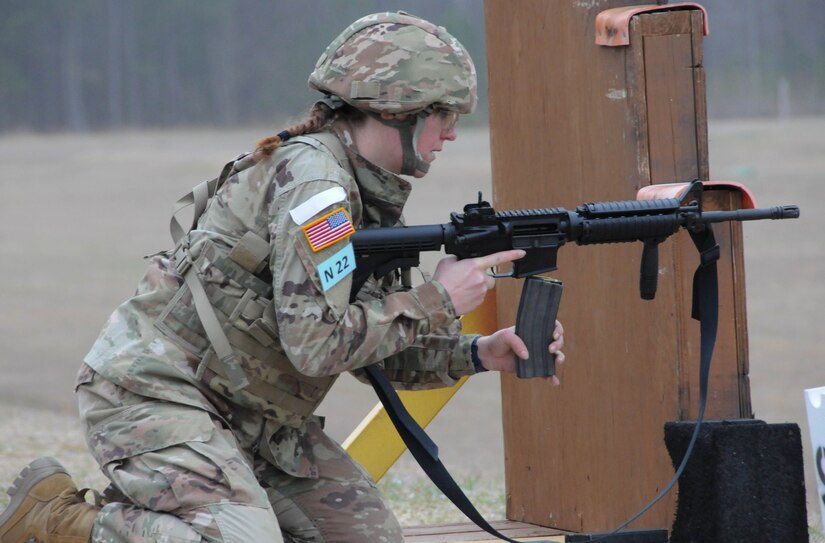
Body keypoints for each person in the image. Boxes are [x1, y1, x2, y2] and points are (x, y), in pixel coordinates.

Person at [0, 11, 564, 543]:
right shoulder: (316, 190)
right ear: (399, 109)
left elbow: (371, 351)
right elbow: (315, 347)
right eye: (444, 116)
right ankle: (61, 520)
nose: (451, 134)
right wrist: (438, 296)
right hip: (154, 394)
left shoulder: (364, 192)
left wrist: (481, 352)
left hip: (251, 415)